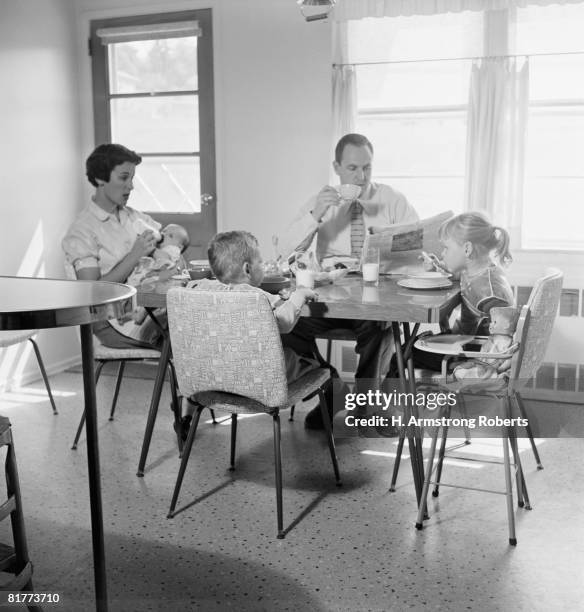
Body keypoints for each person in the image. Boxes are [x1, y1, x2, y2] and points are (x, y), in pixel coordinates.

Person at [278, 133, 420, 429]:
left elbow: (418, 247)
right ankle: (331, 389)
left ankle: (366, 405)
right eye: (353, 168)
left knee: (382, 326)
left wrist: (393, 251)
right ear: (337, 167)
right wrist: (316, 214)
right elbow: (284, 253)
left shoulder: (391, 199)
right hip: (328, 302)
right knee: (282, 327)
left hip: (373, 301)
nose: (362, 176)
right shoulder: (321, 202)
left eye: (367, 167)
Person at [175, 231, 321, 438]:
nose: (263, 266)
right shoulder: (258, 297)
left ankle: (185, 415)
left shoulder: (196, 288)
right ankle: (327, 386)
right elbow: (285, 322)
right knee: (310, 363)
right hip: (254, 381)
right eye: (260, 262)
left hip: (210, 377)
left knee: (212, 357)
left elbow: (188, 286)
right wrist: (299, 295)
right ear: (247, 269)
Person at [62, 143, 163, 349]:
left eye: (132, 178)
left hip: (148, 310)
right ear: (100, 178)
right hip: (113, 323)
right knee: (189, 332)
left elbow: (164, 240)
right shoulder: (82, 231)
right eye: (124, 178)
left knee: (197, 319)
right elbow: (92, 291)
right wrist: (134, 255)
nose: (131, 186)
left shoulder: (132, 215)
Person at [401, 212, 516, 373]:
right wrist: (436, 268)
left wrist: (475, 366)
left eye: (446, 248)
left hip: (469, 356)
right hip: (464, 344)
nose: (443, 253)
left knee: (403, 355)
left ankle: (382, 397)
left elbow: (503, 338)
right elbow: (460, 277)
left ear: (467, 249)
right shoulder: (474, 272)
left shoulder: (490, 291)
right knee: (408, 348)